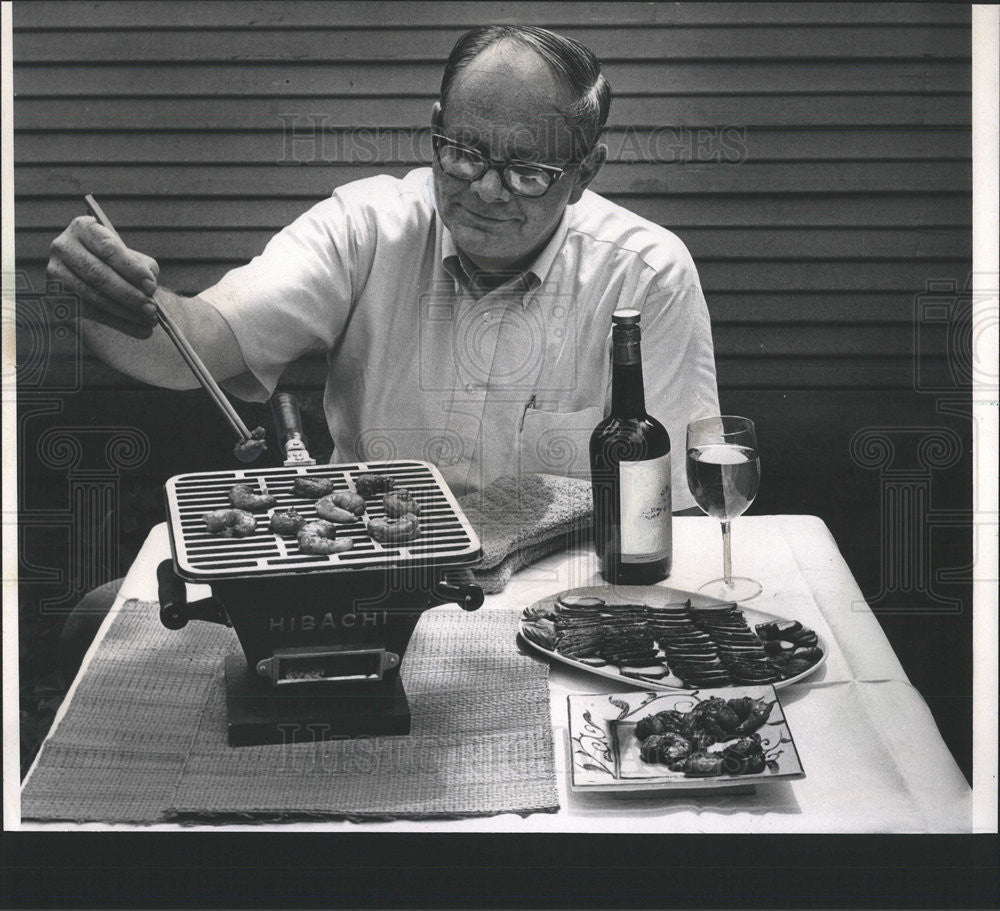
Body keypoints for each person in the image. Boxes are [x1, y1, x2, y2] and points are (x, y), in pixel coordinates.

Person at [47, 26, 720, 672]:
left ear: (584, 172)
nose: (486, 190)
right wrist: (103, 300)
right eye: (464, 153)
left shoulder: (646, 274)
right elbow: (191, 343)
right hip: (353, 590)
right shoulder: (363, 228)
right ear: (434, 129)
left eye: (528, 171)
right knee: (98, 619)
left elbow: (672, 516)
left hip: (551, 607)